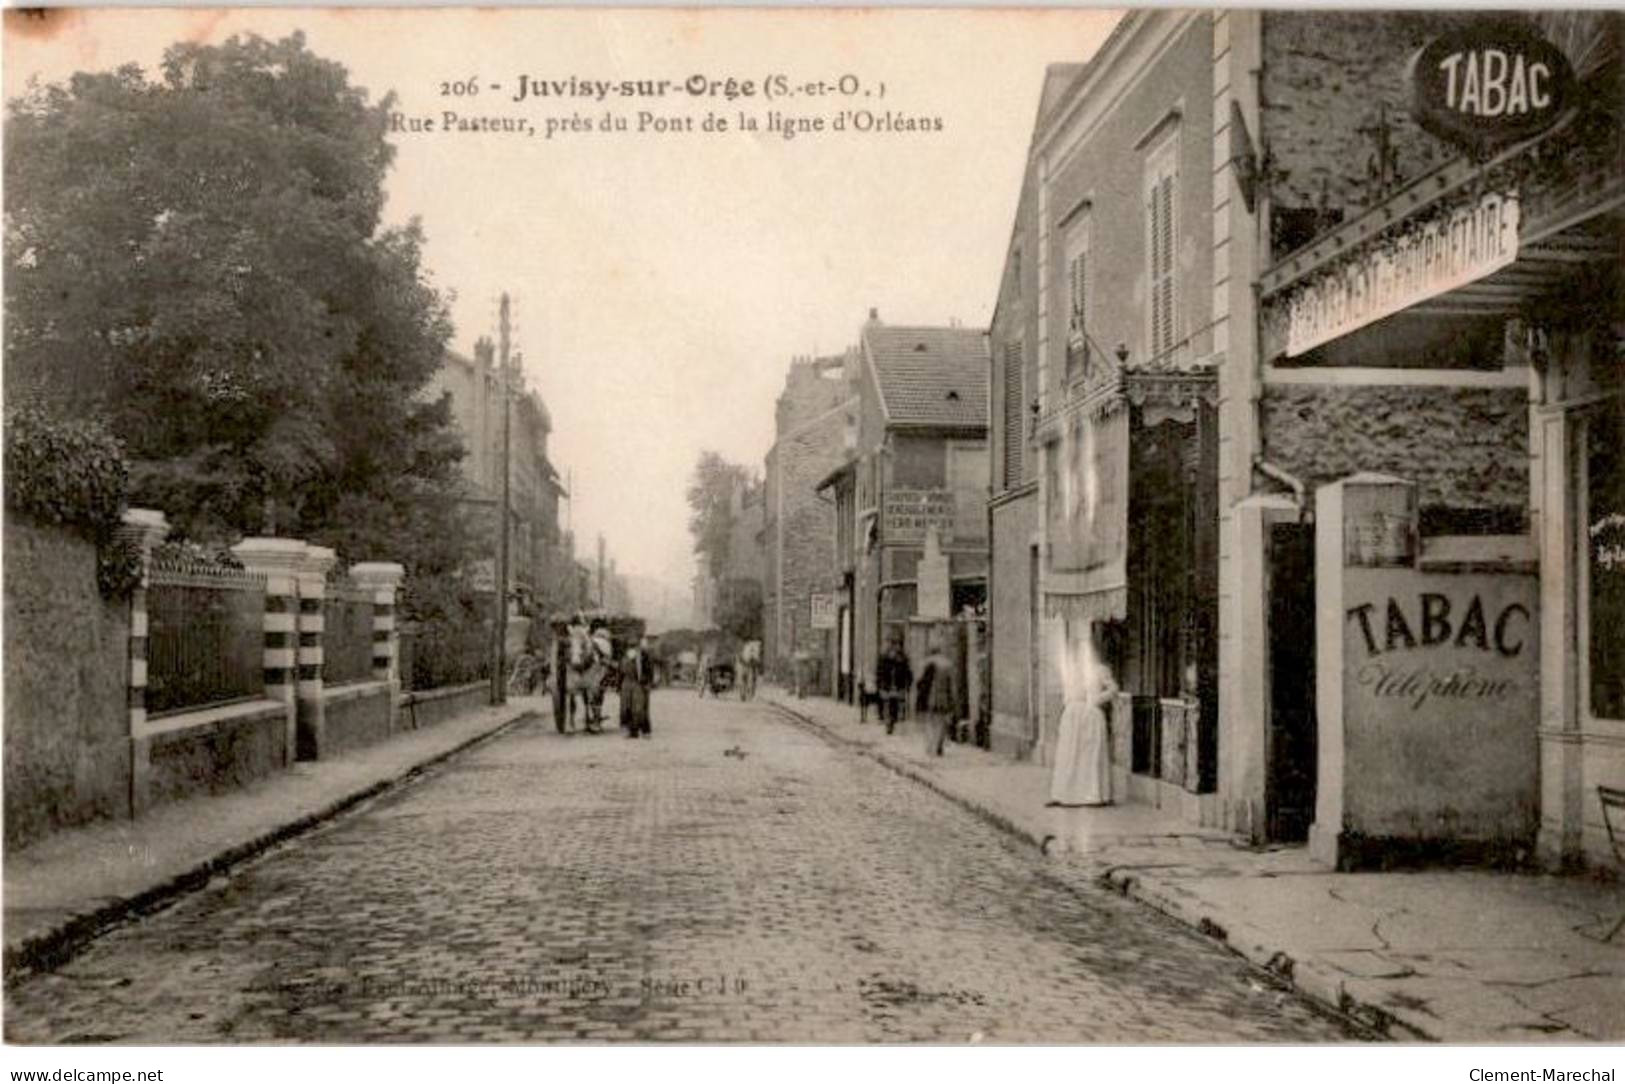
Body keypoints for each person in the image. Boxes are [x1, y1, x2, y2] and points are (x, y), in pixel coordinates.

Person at [1048, 625, 1117, 807]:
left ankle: (1092, 795)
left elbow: (1113, 689)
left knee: (1090, 755)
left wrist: (1095, 700)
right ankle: (1065, 794)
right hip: (1072, 715)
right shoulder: (1071, 670)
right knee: (1068, 754)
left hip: (1090, 715)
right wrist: (1068, 703)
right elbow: (1067, 692)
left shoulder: (1100, 670)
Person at [914, 632, 957, 758]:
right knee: (941, 722)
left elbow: (918, 682)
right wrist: (953, 700)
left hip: (927, 698)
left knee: (929, 722)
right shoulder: (947, 664)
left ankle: (930, 745)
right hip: (943, 697)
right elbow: (952, 685)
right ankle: (938, 745)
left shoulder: (924, 663)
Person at [875, 637, 913, 736]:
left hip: (897, 686)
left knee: (894, 705)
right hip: (887, 686)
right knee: (888, 705)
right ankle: (889, 725)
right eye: (892, 645)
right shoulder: (884, 658)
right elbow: (879, 672)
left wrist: (907, 684)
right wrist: (879, 684)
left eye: (895, 645)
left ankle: (892, 722)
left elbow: (907, 673)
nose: (893, 647)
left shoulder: (902, 658)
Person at [620, 637, 655, 739]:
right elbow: (620, 671)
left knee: (639, 708)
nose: (632, 647)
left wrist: (647, 683)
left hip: (638, 683)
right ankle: (631, 731)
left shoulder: (644, 655)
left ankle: (645, 731)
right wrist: (619, 685)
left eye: (634, 645)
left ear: (637, 646)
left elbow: (649, 670)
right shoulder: (624, 656)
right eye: (630, 645)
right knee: (626, 708)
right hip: (626, 683)